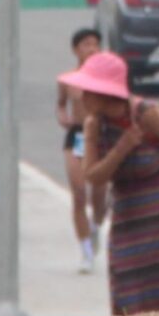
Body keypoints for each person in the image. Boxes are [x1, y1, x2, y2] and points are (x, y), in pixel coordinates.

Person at [66, 51, 159, 316]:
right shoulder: (93, 125)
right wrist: (122, 148)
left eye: (89, 91)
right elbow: (93, 175)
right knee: (124, 272)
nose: (83, 98)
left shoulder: (144, 113)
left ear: (105, 93)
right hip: (127, 205)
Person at [60, 26, 114, 272]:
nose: (91, 49)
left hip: (99, 136)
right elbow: (61, 105)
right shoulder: (67, 79)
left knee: (99, 195)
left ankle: (95, 226)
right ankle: (85, 251)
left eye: (95, 44)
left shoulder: (106, 78)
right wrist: (63, 117)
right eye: (86, 45)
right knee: (79, 192)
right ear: (76, 50)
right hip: (77, 136)